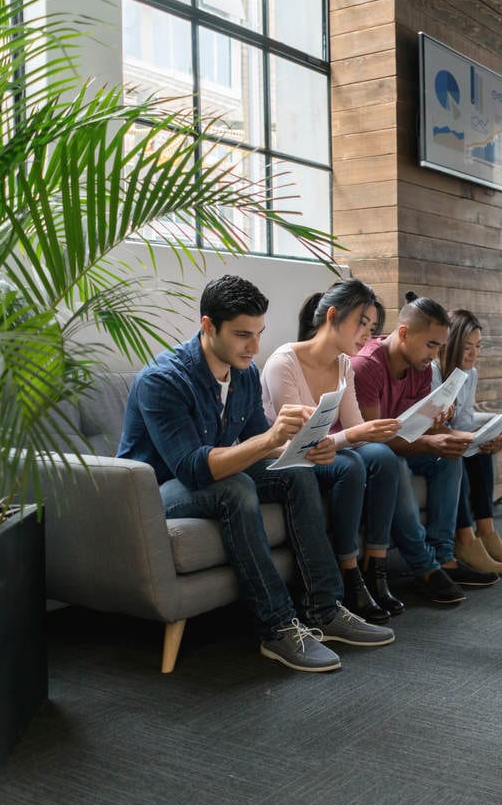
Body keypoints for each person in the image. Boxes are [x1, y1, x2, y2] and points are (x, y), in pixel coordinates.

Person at [117, 275, 393, 674]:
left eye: (259, 333)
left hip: (210, 476)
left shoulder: (243, 374)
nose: (255, 347)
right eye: (242, 335)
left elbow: (256, 445)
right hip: (156, 492)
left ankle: (325, 608)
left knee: (296, 473)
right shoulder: (163, 381)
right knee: (236, 488)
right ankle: (277, 627)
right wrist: (270, 440)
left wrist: (304, 448)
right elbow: (194, 469)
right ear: (207, 325)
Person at [263, 280, 417, 623]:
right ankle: (348, 570)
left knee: (382, 456)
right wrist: (357, 434)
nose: (367, 334)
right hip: (287, 459)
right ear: (333, 316)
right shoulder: (283, 363)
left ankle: (376, 565)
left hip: (321, 453)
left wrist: (375, 432)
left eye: (372, 327)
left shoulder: (344, 365)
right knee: (351, 466)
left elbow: (354, 428)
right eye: (361, 323)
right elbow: (301, 445)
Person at [352, 292, 500, 600]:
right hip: (367, 451)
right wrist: (431, 440)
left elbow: (421, 425)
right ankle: (425, 567)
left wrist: (474, 437)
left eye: (439, 347)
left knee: (449, 459)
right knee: (399, 463)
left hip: (398, 444)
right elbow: (372, 437)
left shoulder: (419, 367)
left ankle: (445, 556)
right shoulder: (367, 366)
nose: (434, 356)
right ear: (404, 332)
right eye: (431, 345)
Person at [432, 309, 502, 574]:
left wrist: (501, 427)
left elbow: (463, 420)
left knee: (481, 450)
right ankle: (465, 540)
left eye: (478, 347)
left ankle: (486, 532)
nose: (473, 354)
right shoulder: (433, 371)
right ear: (451, 345)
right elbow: (435, 426)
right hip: (432, 441)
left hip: (453, 436)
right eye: (466, 347)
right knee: (463, 451)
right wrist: (475, 435)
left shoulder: (469, 374)